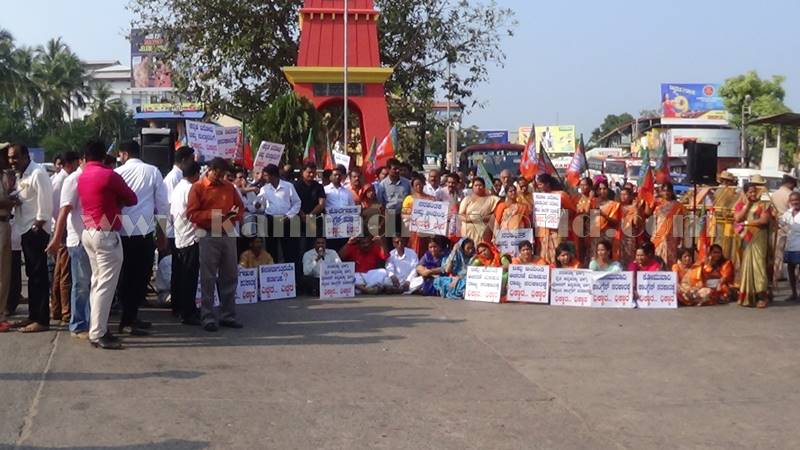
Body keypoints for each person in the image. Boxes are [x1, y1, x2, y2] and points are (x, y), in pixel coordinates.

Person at [78, 140, 138, 349]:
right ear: (105, 156)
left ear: (85, 157)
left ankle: (98, 327)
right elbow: (132, 198)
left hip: (88, 231)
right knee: (105, 285)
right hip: (105, 233)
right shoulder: (109, 175)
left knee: (97, 283)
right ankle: (98, 332)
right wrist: (116, 201)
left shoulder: (83, 175)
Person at [114, 141, 169, 336]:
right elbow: (163, 206)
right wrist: (162, 234)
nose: (119, 157)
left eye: (120, 154)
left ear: (125, 154)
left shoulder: (117, 173)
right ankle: (128, 319)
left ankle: (129, 317)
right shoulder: (153, 171)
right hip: (143, 232)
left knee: (125, 277)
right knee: (139, 278)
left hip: (120, 231)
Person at [186, 157, 245, 331]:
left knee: (230, 275)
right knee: (208, 277)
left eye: (223, 175)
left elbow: (240, 208)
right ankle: (208, 317)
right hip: (207, 232)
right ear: (210, 170)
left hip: (227, 230)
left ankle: (228, 315)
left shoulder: (229, 187)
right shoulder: (198, 188)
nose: (220, 178)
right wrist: (216, 216)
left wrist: (232, 217)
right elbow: (191, 214)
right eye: (218, 174)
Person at [8, 144, 53, 333]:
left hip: (36, 230)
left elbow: (46, 202)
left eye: (15, 157)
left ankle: (42, 320)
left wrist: (37, 225)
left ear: (26, 156)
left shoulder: (38, 172)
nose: (12, 162)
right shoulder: (22, 174)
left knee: (39, 276)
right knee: (32, 276)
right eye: (10, 158)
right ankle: (32, 316)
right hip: (24, 229)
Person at [46, 154, 92, 337]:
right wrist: (57, 237)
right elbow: (62, 211)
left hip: (89, 237)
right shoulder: (72, 179)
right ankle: (77, 323)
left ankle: (81, 318)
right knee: (77, 282)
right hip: (75, 238)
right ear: (82, 160)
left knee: (84, 282)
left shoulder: (87, 177)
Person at [169, 160, 202, 326]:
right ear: (196, 174)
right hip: (190, 236)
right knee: (189, 276)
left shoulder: (177, 188)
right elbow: (193, 213)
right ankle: (187, 312)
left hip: (179, 234)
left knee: (180, 274)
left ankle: (179, 307)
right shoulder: (191, 189)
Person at [49, 150, 79, 325]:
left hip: (61, 228)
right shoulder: (64, 180)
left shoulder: (61, 179)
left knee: (60, 272)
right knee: (65, 272)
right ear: (72, 163)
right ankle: (65, 310)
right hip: (63, 229)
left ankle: (58, 308)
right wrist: (62, 228)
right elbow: (57, 210)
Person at [734, 181, 774, 308]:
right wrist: (747, 206)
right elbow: (737, 218)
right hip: (746, 238)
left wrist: (747, 223)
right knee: (746, 266)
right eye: (750, 192)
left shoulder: (763, 204)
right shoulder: (741, 204)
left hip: (758, 237)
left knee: (758, 265)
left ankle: (762, 296)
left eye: (754, 191)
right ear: (745, 193)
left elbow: (764, 220)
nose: (752, 194)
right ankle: (749, 296)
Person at [256, 163, 302, 269]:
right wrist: (257, 204)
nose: (264, 177)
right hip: (271, 219)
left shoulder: (288, 186)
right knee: (272, 248)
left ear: (273, 175)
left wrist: (289, 215)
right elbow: (260, 205)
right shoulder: (264, 188)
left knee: (289, 249)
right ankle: (273, 272)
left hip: (286, 220)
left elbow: (297, 202)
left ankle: (290, 273)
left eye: (266, 175)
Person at [535, 173, 577, 264]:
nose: (539, 187)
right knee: (545, 258)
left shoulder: (561, 195)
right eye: (538, 185)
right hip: (544, 231)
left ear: (547, 184)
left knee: (558, 255)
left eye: (540, 184)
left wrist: (560, 211)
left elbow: (572, 211)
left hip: (559, 231)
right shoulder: (540, 197)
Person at [293, 162, 326, 255]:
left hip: (314, 221)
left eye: (314, 173)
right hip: (298, 221)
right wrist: (302, 215)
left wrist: (310, 215)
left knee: (311, 248)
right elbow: (292, 202)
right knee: (298, 249)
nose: (311, 175)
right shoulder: (295, 186)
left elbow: (321, 203)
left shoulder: (318, 186)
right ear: (303, 172)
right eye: (309, 172)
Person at [0, 146, 16, 332]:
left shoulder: (4, 176)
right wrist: (13, 202)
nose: (9, 159)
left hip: (5, 223)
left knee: (5, 273)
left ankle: (2, 313)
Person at [651, 183, 685, 268]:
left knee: (671, 258)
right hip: (658, 235)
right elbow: (654, 221)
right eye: (664, 190)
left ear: (672, 192)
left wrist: (680, 238)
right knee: (658, 257)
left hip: (672, 236)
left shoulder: (678, 206)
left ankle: (670, 277)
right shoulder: (658, 205)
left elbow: (680, 222)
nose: (666, 193)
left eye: (668, 190)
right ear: (661, 192)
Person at [772, 174, 797, 287]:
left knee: (778, 254)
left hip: (779, 226)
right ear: (790, 183)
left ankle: (776, 277)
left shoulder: (774, 194)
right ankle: (794, 279)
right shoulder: (790, 195)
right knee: (792, 256)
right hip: (790, 227)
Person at [458, 177, 500, 243]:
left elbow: (496, 214)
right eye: (476, 185)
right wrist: (472, 218)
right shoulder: (467, 199)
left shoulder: (492, 199)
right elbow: (460, 215)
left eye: (480, 185)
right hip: (468, 231)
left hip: (483, 231)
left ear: (484, 187)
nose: (478, 187)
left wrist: (482, 218)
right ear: (473, 187)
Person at [402, 175, 435, 257]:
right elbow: (403, 215)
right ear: (412, 186)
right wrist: (413, 216)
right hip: (414, 231)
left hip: (428, 230)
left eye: (420, 184)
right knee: (414, 249)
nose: (419, 186)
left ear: (424, 184)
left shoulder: (431, 198)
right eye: (416, 185)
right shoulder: (409, 199)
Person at [324, 165, 355, 251]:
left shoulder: (347, 192)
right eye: (335, 175)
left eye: (339, 175)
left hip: (345, 226)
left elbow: (352, 208)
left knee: (344, 248)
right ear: (330, 177)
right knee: (332, 249)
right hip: (331, 225)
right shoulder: (325, 190)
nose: (337, 177)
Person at [377, 158, 411, 236]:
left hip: (404, 215)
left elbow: (410, 198)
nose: (397, 171)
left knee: (404, 239)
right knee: (391, 240)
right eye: (394, 169)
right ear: (388, 169)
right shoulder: (382, 185)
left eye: (398, 169)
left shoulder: (406, 183)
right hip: (390, 215)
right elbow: (380, 201)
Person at [590, 180, 620, 260]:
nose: (602, 191)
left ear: (608, 189)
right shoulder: (592, 202)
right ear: (596, 190)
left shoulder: (614, 204)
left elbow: (615, 222)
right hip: (594, 236)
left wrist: (603, 215)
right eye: (599, 189)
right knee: (594, 258)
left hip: (606, 236)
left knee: (606, 258)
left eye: (604, 188)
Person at [780, 192, 800, 301]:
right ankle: (794, 293)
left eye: (797, 200)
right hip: (790, 245)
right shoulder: (788, 213)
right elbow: (781, 223)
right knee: (790, 269)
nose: (795, 202)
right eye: (792, 200)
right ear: (790, 202)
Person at [618, 187, 644, 268]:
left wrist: (636, 209)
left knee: (629, 257)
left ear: (630, 196)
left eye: (625, 194)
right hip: (618, 236)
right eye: (621, 194)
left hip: (629, 237)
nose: (623, 196)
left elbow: (636, 223)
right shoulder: (617, 206)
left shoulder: (634, 208)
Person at [573, 177, 594, 263]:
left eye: (584, 185)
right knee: (578, 251)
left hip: (590, 229)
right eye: (580, 185)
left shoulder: (594, 199)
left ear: (590, 187)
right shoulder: (575, 198)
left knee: (590, 251)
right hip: (577, 228)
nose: (582, 187)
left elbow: (588, 212)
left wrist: (590, 199)